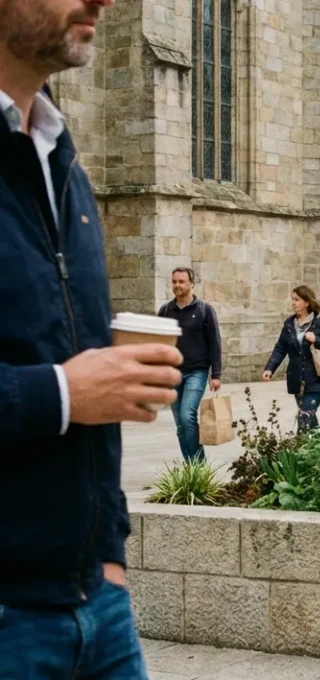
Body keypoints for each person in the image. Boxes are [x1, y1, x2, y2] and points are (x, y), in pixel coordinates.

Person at [0, 2, 185, 676]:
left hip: (96, 609)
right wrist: (63, 393)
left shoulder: (64, 164)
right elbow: (69, 386)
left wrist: (111, 556)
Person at [157, 267, 222, 462]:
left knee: (187, 416)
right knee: (179, 424)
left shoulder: (204, 310)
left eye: (181, 282)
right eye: (174, 282)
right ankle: (191, 466)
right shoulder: (166, 311)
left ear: (192, 284)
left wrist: (216, 374)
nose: (177, 285)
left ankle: (198, 465)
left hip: (197, 372)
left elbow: (215, 343)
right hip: (173, 374)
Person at [262, 286, 320, 431]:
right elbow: (280, 348)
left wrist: (316, 339)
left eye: (296, 300)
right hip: (296, 379)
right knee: (309, 417)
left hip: (316, 378)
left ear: (307, 302)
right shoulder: (289, 324)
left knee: (304, 415)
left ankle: (301, 448)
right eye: (292, 299)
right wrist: (269, 368)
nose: (293, 303)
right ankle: (318, 447)